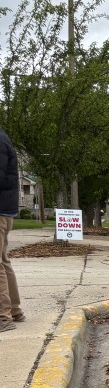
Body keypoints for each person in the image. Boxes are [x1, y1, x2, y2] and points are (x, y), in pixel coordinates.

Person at [0, 126, 25, 332]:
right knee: (3, 261)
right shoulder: (3, 137)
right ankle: (14, 311)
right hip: (4, 209)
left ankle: (3, 317)